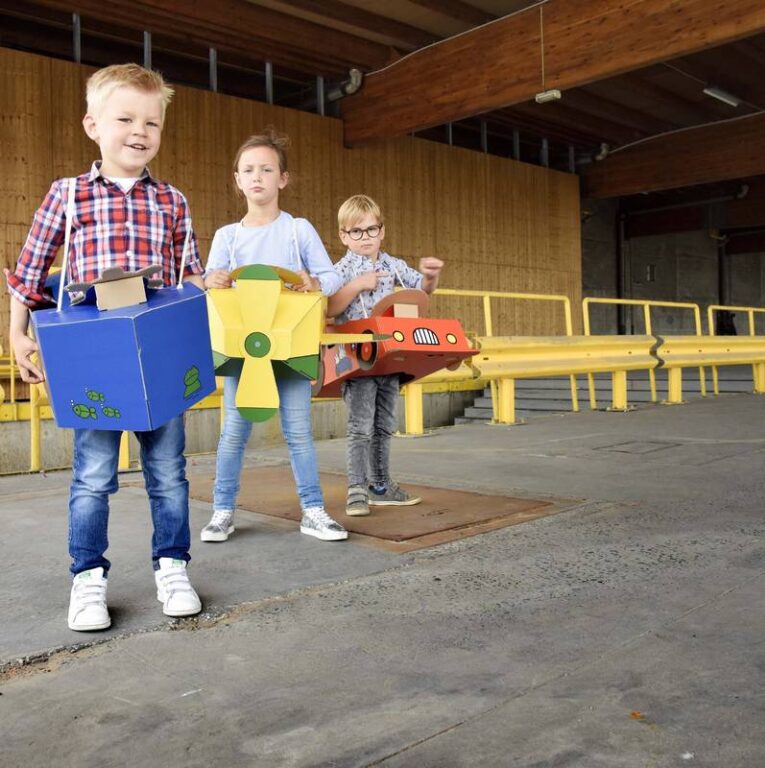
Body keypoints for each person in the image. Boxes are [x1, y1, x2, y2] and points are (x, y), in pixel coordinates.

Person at [5, 63, 205, 632]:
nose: (139, 131)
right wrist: (17, 333)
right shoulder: (67, 195)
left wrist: (202, 307)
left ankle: (173, 567)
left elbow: (188, 276)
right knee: (93, 475)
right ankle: (88, 578)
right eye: (125, 119)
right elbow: (29, 271)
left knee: (168, 472)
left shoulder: (172, 201)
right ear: (93, 125)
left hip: (157, 359)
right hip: (94, 358)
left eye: (152, 122)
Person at [200, 130, 348, 544]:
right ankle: (222, 511)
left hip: (291, 345)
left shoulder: (298, 230)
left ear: (283, 178)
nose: (257, 176)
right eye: (248, 170)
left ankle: (313, 510)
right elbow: (209, 281)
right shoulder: (228, 236)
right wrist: (212, 279)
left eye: (266, 169)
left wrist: (313, 282)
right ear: (237, 179)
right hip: (243, 349)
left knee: (298, 431)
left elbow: (331, 276)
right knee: (234, 431)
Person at [327, 194, 444, 517]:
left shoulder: (393, 265)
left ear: (382, 231)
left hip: (390, 357)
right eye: (356, 231)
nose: (365, 237)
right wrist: (357, 285)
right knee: (360, 427)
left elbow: (422, 288)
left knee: (384, 425)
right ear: (343, 235)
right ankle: (356, 489)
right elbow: (329, 307)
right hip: (358, 361)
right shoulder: (342, 269)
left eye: (371, 229)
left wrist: (430, 276)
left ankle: (380, 486)